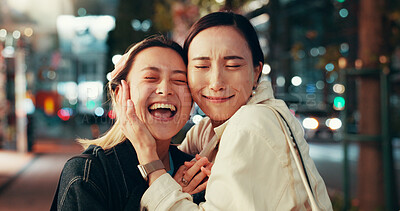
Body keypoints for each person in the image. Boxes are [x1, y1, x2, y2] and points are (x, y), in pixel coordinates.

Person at [121, 12, 333, 210]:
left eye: (232, 66)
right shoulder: (207, 130)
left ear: (256, 71)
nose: (216, 83)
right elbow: (175, 164)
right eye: (202, 66)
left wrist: (150, 160)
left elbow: (161, 166)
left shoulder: (252, 123)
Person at [50, 36, 204, 211]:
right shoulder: (88, 173)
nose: (165, 89)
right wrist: (166, 198)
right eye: (150, 77)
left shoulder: (195, 173)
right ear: (120, 95)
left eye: (179, 81)